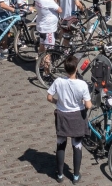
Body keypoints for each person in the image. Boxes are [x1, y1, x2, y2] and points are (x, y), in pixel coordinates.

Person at [47, 55, 92, 184]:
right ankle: (76, 176)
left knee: (61, 144)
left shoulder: (58, 81)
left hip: (62, 116)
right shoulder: (82, 84)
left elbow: (49, 97)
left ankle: (60, 175)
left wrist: (57, 102)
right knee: (77, 145)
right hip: (77, 117)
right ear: (76, 69)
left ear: (65, 69)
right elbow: (88, 105)